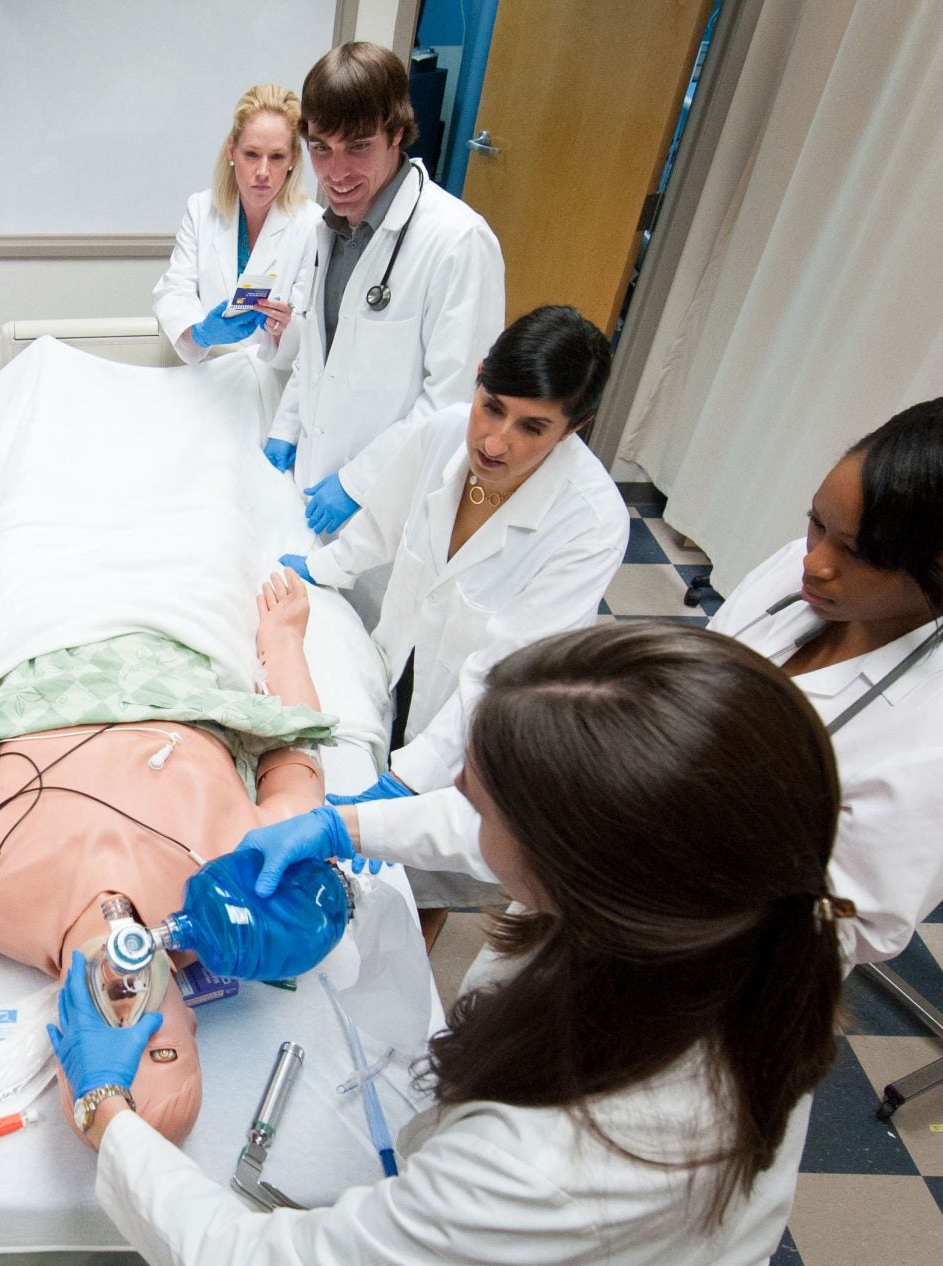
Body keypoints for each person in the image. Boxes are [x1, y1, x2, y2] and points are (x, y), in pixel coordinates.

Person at [50, 623, 846, 1264]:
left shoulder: (544, 1168)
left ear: (576, 867)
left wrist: (107, 1112)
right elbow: (491, 830)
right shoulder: (732, 890)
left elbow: (259, 1256)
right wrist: (343, 824)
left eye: (477, 800)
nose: (455, 806)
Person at [0, 570, 334, 1141]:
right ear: (191, 1018)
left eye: (107, 1064)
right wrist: (283, 641)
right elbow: (296, 747)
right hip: (178, 636)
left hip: (27, 642)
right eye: (159, 1052)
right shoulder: (243, 891)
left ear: (65, 1045)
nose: (126, 1018)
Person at [278, 307, 623, 921]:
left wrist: (409, 781)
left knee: (428, 885)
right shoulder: (441, 432)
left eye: (533, 428)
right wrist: (327, 569)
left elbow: (504, 672)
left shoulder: (589, 524)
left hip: (483, 728)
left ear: (576, 427)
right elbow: (384, 525)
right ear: (481, 377)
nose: (495, 442)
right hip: (400, 669)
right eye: (492, 406)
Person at [703, 395, 943, 964]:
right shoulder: (812, 574)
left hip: (718, 959)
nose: (813, 563)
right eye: (816, 524)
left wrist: (689, 869)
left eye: (854, 550)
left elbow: (852, 925)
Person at [261, 42, 504, 581]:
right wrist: (288, 425)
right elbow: (320, 353)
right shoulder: (329, 229)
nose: (336, 172)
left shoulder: (458, 243)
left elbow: (453, 404)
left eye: (359, 147)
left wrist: (356, 483)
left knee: (378, 647)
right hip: (314, 492)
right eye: (321, 149)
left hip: (390, 514)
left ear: (397, 133)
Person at [150, 83, 323, 391]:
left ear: (294, 159)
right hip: (207, 382)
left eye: (277, 157)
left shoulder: (312, 224)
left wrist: (285, 327)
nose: (263, 171)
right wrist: (200, 332)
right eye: (252, 154)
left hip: (270, 385)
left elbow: (310, 329)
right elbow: (175, 290)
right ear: (232, 150)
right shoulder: (202, 210)